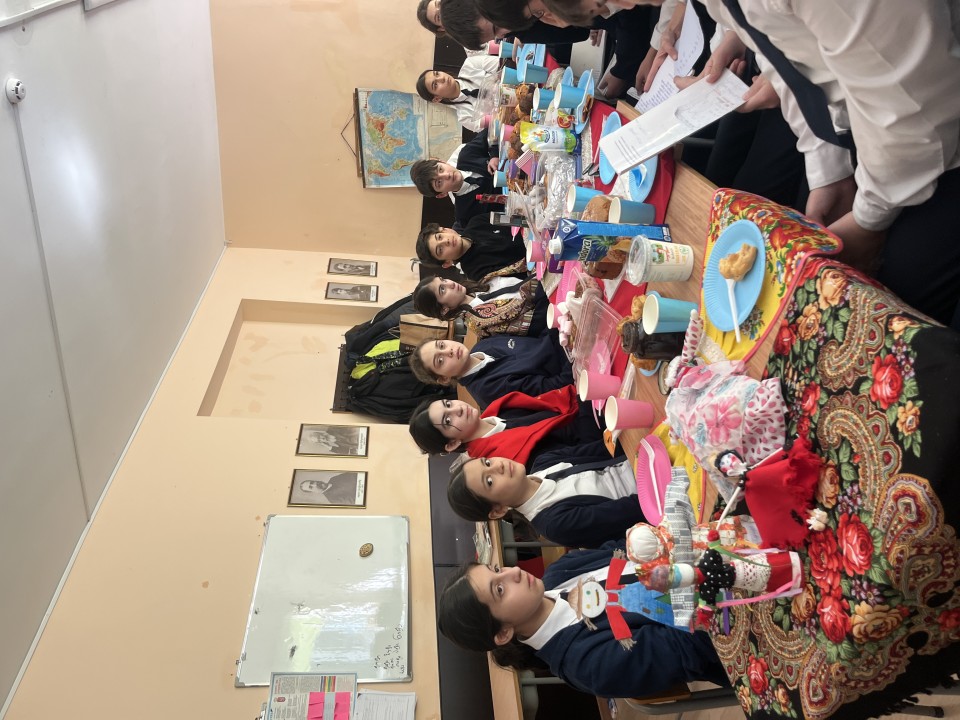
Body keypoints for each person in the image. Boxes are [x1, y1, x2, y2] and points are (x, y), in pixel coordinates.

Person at [638, 0, 960, 328]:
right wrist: (830, 171)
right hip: (882, 139)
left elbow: (915, 114)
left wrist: (869, 220)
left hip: (934, 143)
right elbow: (788, 63)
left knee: (894, 308)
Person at [436, 541, 729, 698]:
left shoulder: (560, 572)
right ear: (503, 633)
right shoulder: (587, 663)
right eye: (499, 590)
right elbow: (696, 649)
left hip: (710, 552)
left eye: (497, 569)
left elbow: (627, 546)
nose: (513, 572)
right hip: (728, 618)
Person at [447, 454, 645, 547]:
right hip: (651, 494)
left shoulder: (543, 464)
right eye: (489, 481)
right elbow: (632, 511)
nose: (497, 466)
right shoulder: (555, 523)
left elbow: (606, 448)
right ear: (498, 510)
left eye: (487, 462)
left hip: (639, 457)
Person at [408, 387, 611, 468]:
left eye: (448, 404)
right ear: (452, 444)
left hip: (597, 406)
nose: (457, 409)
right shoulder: (505, 458)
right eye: (448, 420)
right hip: (606, 435)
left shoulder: (497, 410)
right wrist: (588, 397)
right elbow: (583, 450)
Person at [409, 332, 572, 408]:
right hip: (574, 369)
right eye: (440, 360)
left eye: (441, 345)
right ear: (444, 378)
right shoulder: (488, 390)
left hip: (566, 339)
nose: (448, 351)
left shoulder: (481, 346)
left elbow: (538, 340)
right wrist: (575, 350)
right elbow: (557, 387)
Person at [413, 275, 548, 339]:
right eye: (442, 290)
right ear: (444, 309)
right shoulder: (478, 321)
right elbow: (537, 321)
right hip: (550, 308)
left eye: (443, 279)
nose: (450, 284)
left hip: (546, 282)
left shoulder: (479, 284)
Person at [410, 132, 501, 225]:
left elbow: (491, 131)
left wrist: (494, 155)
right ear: (442, 194)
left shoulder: (466, 154)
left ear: (443, 162)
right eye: (439, 182)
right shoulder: (464, 213)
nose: (447, 175)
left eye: (441, 169)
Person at [415, 215, 526, 282]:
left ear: (445, 229)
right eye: (440, 249)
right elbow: (520, 274)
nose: (446, 241)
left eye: (440, 237)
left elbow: (517, 219)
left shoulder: (477, 221)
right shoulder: (476, 273)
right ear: (447, 263)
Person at [415, 55, 501, 133]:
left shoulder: (470, 65)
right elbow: (496, 130)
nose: (442, 78)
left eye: (437, 74)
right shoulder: (465, 117)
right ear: (437, 99)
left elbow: (503, 64)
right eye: (435, 85)